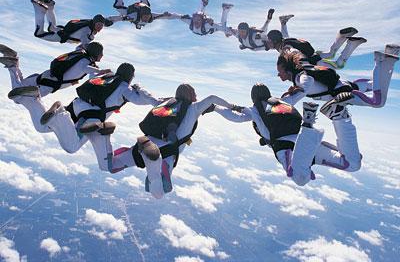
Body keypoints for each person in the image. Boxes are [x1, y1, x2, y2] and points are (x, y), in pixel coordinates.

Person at [214, 83, 363, 185]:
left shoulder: (254, 110)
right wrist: (297, 87)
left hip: (286, 147)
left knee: (300, 178)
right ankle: (339, 117)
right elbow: (303, 91)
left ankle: (308, 127)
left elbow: (235, 117)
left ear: (253, 98)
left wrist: (215, 108)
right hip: (303, 142)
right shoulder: (283, 101)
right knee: (352, 164)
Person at [110, 83, 240, 198]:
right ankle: (155, 165)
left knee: (112, 165)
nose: (196, 96)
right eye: (194, 93)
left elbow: (148, 96)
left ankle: (105, 138)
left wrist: (138, 87)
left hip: (146, 141)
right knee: (159, 193)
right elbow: (212, 98)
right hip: (167, 152)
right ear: (191, 95)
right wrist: (233, 106)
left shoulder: (165, 103)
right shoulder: (195, 107)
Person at [39, 63, 162, 178]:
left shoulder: (106, 77)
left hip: (76, 105)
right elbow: (140, 100)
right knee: (72, 146)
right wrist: (141, 90)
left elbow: (91, 77)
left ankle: (51, 108)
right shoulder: (125, 88)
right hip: (90, 115)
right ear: (130, 77)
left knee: (45, 127)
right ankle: (61, 114)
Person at [276, 47, 400, 108]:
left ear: (287, 70)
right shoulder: (303, 72)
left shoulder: (300, 77)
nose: (278, 75)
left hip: (344, 93)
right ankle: (391, 53)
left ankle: (379, 61)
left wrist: (284, 104)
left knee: (378, 103)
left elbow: (307, 83)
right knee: (375, 85)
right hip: (345, 85)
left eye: (280, 71)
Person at [0, 42, 110, 99]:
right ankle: (13, 66)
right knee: (18, 97)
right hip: (50, 85)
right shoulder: (85, 62)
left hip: (47, 74)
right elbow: (87, 68)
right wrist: (101, 71)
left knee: (21, 84)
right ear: (95, 53)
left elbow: (80, 47)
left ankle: (14, 60)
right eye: (101, 53)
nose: (102, 55)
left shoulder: (79, 53)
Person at [266, 27, 366, 69]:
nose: (267, 42)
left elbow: (293, 52)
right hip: (313, 53)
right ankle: (341, 36)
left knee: (339, 65)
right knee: (331, 53)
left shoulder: (284, 47)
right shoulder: (285, 40)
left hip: (314, 61)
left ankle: (351, 44)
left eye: (269, 40)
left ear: (274, 41)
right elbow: (285, 34)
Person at [31, 0, 112, 47]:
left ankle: (50, 7)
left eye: (101, 25)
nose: (100, 27)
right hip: (62, 36)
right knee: (38, 34)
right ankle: (40, 11)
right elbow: (85, 44)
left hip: (65, 30)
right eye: (98, 24)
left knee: (52, 28)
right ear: (94, 23)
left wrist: (117, 19)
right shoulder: (87, 31)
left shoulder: (89, 25)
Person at [162, 0, 234, 36]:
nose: (196, 22)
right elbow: (176, 16)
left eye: (198, 21)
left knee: (222, 26)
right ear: (193, 19)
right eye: (195, 20)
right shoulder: (191, 21)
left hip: (211, 28)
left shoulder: (207, 25)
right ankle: (204, 4)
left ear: (202, 21)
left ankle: (225, 10)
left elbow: (222, 28)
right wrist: (163, 15)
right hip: (205, 26)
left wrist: (230, 32)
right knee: (200, 16)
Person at [227, 9, 294, 51]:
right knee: (285, 44)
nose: (241, 34)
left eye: (243, 32)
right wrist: (228, 32)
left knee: (285, 43)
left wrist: (268, 19)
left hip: (266, 43)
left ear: (247, 31)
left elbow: (263, 30)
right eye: (240, 31)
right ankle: (283, 22)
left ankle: (283, 22)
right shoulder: (238, 34)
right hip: (258, 45)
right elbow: (225, 29)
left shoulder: (256, 36)